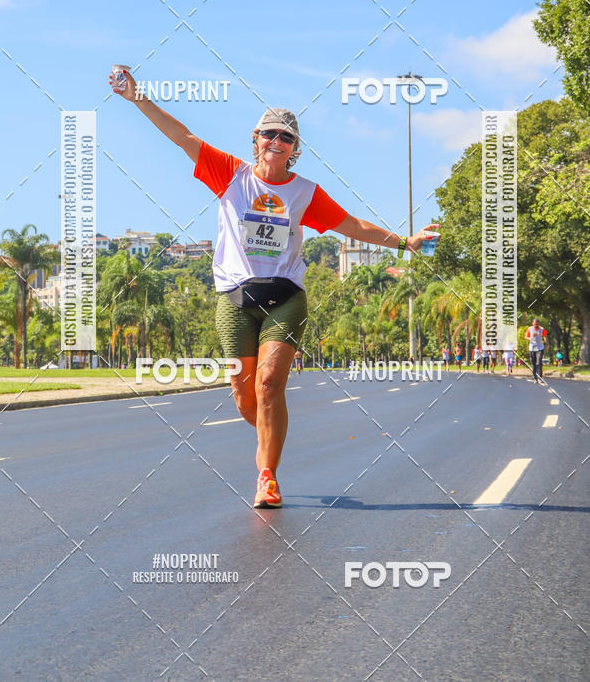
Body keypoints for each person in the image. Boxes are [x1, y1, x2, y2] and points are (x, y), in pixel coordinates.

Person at [110, 71, 439, 508]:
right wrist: (137, 98)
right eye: (270, 134)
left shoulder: (305, 193)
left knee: (268, 385)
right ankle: (272, 429)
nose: (276, 142)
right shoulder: (229, 173)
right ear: (256, 138)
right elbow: (181, 135)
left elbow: (353, 226)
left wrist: (405, 242)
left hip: (285, 298)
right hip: (233, 299)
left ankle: (267, 477)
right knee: (246, 397)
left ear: (294, 148)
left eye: (285, 137)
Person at [525, 318, 548, 384]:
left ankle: (540, 377)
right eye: (535, 324)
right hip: (532, 348)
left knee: (539, 363)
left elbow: (545, 336)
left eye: (537, 324)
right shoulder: (530, 329)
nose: (536, 325)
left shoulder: (541, 329)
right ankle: (535, 378)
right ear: (533, 323)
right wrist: (529, 338)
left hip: (540, 348)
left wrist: (547, 344)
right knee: (534, 364)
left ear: (539, 324)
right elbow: (525, 336)